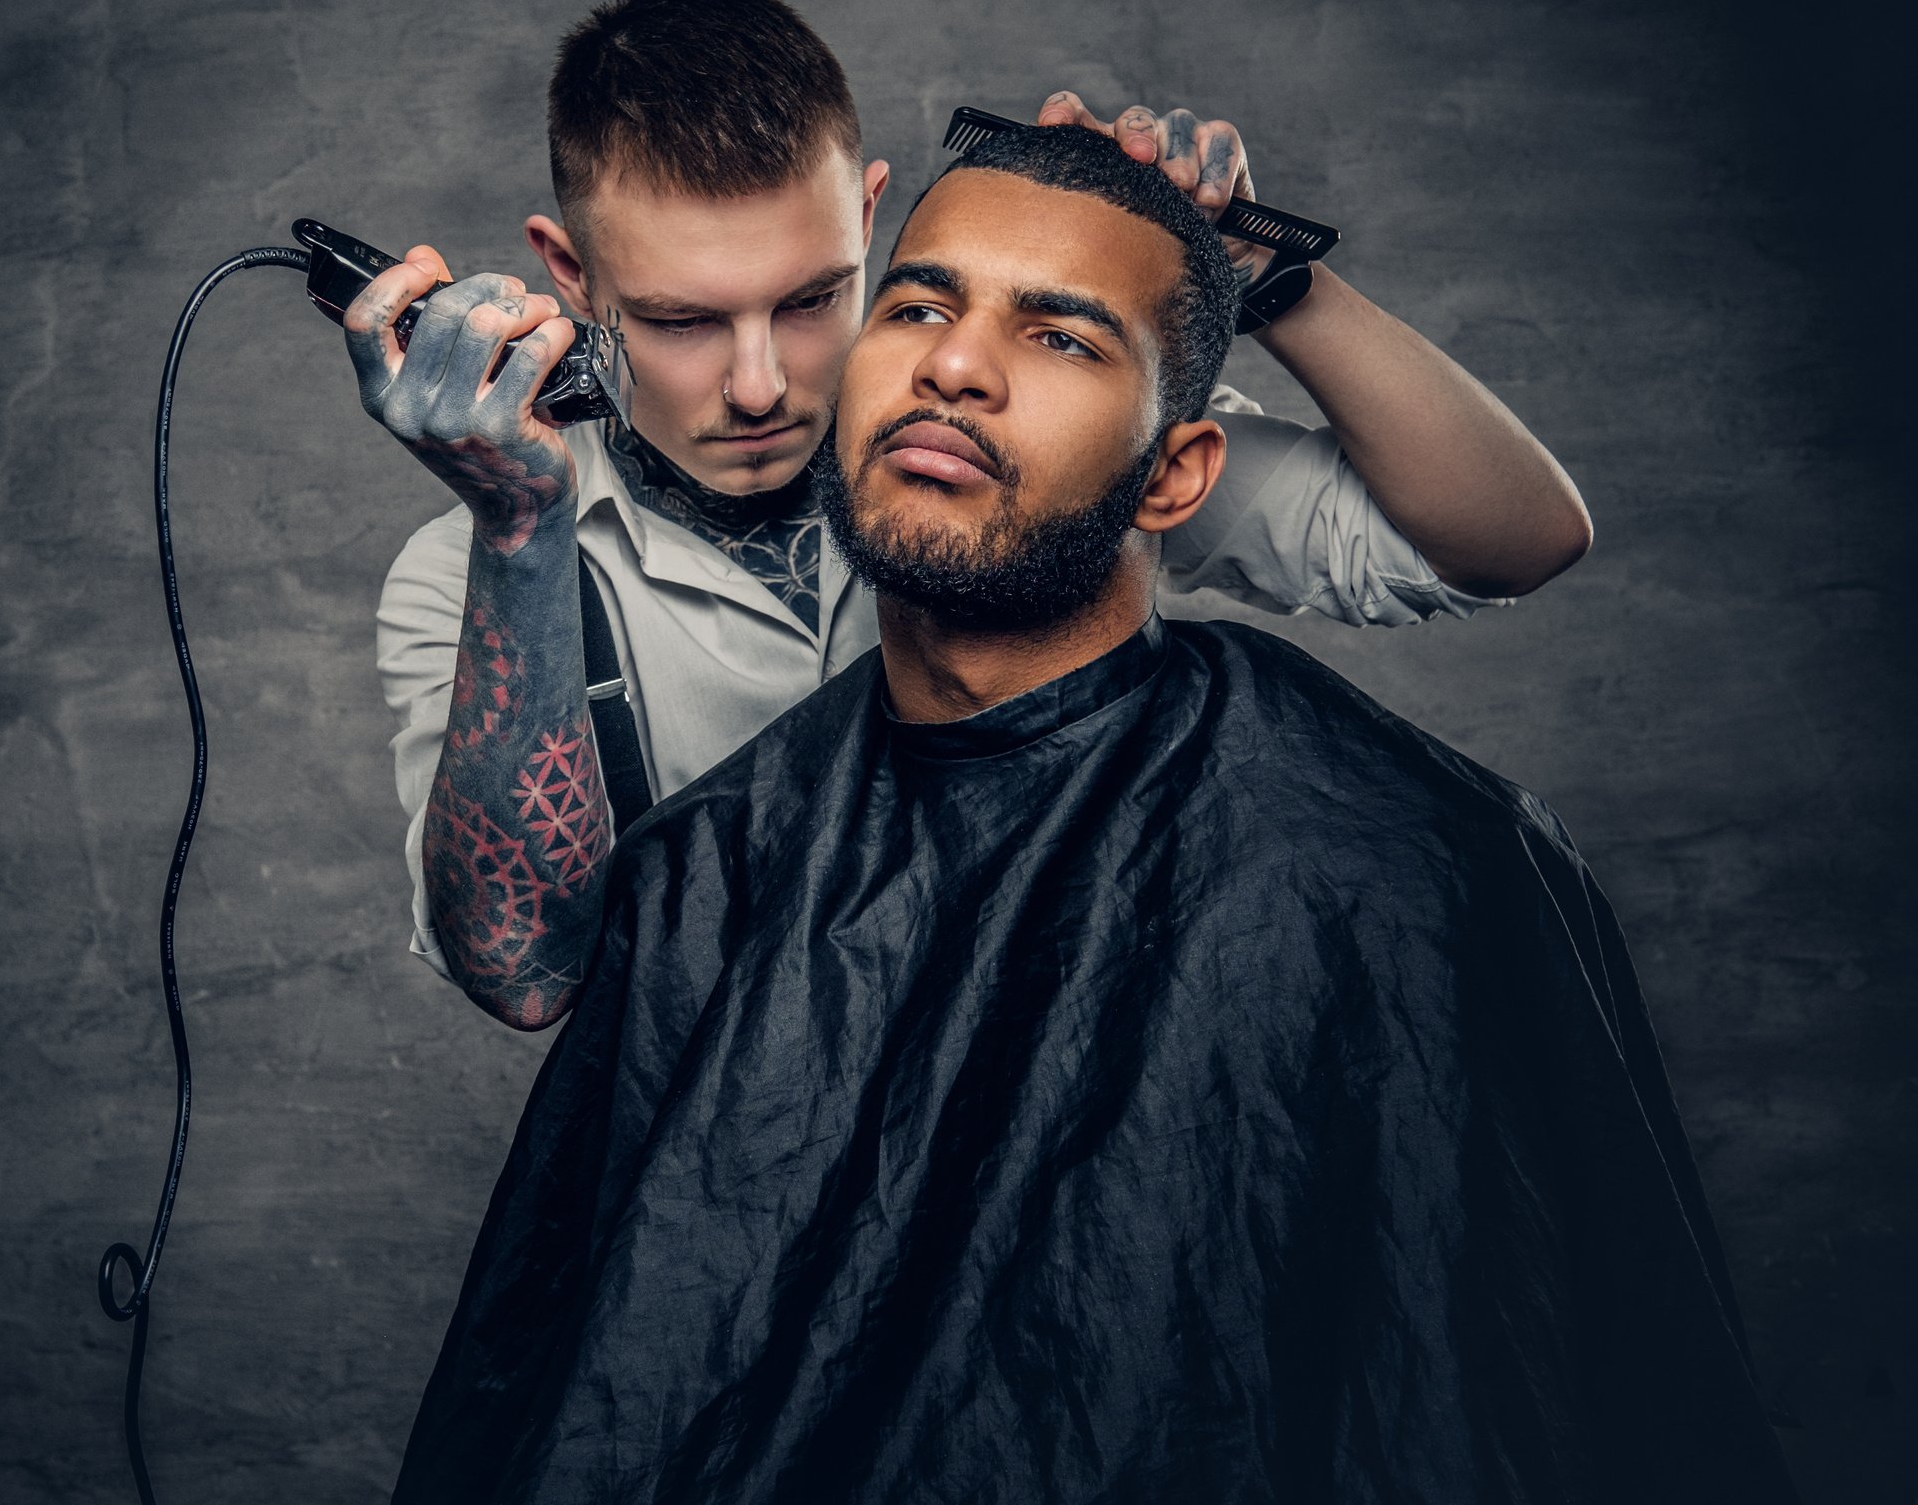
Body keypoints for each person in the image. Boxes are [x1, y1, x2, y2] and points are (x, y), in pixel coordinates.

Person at [388, 123, 1793, 1505]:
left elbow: (1475, 1395)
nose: (953, 363)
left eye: (1060, 337)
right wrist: (522, 525)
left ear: (1179, 477)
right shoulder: (714, 865)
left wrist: (1269, 271)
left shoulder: (1387, 864)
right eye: (919, 305)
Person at [356, 0, 1593, 1028]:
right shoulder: (466, 580)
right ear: (570, 275)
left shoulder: (1006, 455)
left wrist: (1270, 287)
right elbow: (526, 973)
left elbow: (1512, 539)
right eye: (682, 322)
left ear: (871, 214)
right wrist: (519, 536)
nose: (759, 386)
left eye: (811, 301)